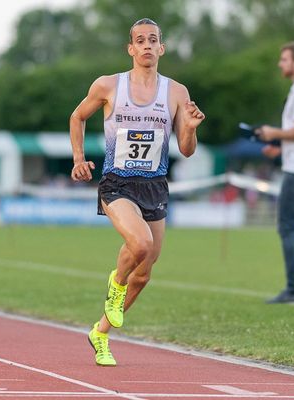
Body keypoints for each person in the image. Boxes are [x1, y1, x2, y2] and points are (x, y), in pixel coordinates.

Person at [69, 18, 205, 366]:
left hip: (155, 185)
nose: (146, 45)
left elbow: (187, 149)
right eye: (139, 40)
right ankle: (116, 285)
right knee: (140, 244)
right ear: (130, 49)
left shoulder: (176, 92)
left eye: (153, 40)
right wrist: (79, 158)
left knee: (144, 272)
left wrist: (189, 128)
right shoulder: (108, 85)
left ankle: (99, 332)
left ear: (162, 48)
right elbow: (77, 116)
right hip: (117, 183)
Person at [258, 41, 294, 305]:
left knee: (288, 228)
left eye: (285, 59)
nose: (281, 63)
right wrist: (279, 149)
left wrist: (273, 133)